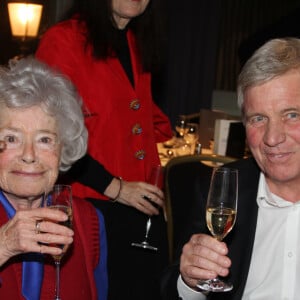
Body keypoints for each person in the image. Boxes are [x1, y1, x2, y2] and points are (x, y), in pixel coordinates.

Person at [35, 0, 172, 299]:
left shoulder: (137, 42)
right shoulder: (64, 40)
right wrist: (116, 187)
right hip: (91, 205)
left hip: (139, 206)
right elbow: (51, 135)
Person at [161, 37, 300, 300]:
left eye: (291, 115)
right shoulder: (222, 189)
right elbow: (171, 289)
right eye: (258, 119)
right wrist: (190, 281)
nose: (272, 138)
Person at [0, 57, 108, 300]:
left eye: (45, 140)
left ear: (64, 149)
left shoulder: (87, 221)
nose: (29, 155)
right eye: (12, 138)